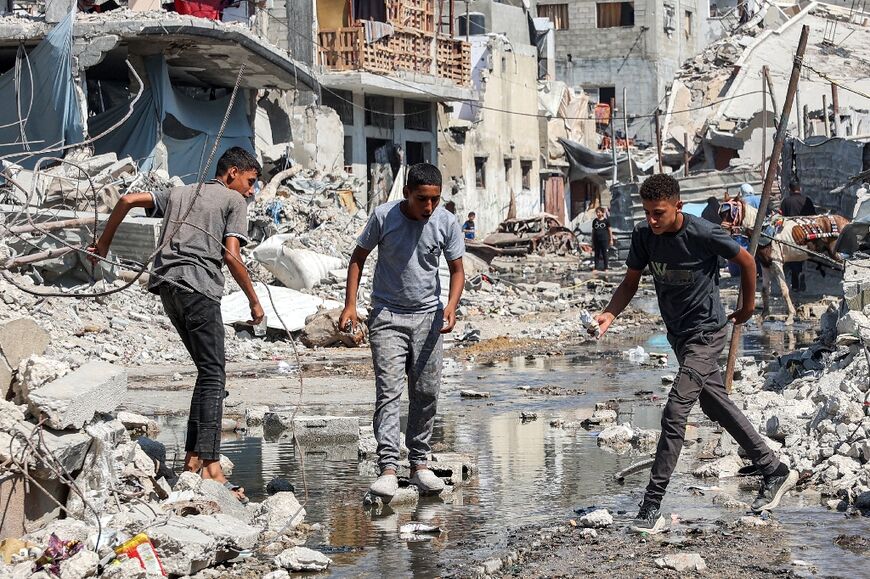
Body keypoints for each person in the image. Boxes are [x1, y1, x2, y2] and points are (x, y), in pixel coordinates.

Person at [593, 174, 796, 534]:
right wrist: (610, 313)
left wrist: (748, 307)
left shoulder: (703, 233)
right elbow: (630, 282)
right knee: (715, 404)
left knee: (675, 410)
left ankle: (651, 505)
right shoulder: (644, 237)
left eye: (659, 213)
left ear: (678, 207)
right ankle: (774, 470)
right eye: (648, 213)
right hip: (679, 336)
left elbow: (747, 261)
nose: (652, 221)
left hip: (708, 333)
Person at [90, 147, 264, 503]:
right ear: (232, 173)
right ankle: (212, 466)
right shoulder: (233, 201)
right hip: (199, 287)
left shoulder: (180, 192)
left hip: (168, 287)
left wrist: (103, 244)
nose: (251, 191)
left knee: (206, 371)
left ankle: (193, 461)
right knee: (215, 374)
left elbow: (126, 199)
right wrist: (255, 300)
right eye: (250, 182)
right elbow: (231, 255)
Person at [339, 163, 465, 498]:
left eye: (434, 200)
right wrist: (350, 305)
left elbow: (457, 270)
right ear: (407, 193)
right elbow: (358, 258)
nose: (428, 207)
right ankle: (389, 469)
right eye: (422, 199)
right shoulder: (383, 217)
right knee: (389, 392)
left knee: (426, 393)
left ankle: (420, 465)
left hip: (428, 317)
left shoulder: (446, 222)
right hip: (387, 316)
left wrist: (451, 307)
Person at [780, 181, 816, 291]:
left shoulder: (786, 201)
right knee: (804, 254)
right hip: (806, 231)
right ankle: (802, 272)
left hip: (791, 232)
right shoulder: (807, 200)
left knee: (793, 256)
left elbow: (782, 218)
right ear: (799, 188)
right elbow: (814, 216)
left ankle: (795, 284)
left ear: (790, 189)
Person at [591, 207, 614, 271]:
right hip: (596, 240)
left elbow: (610, 230)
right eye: (597, 212)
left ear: (602, 212)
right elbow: (593, 231)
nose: (598, 213)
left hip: (604, 240)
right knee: (596, 254)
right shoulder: (595, 221)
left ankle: (606, 268)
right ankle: (596, 268)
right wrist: (592, 241)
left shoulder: (606, 221)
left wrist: (611, 239)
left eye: (599, 212)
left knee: (604, 254)